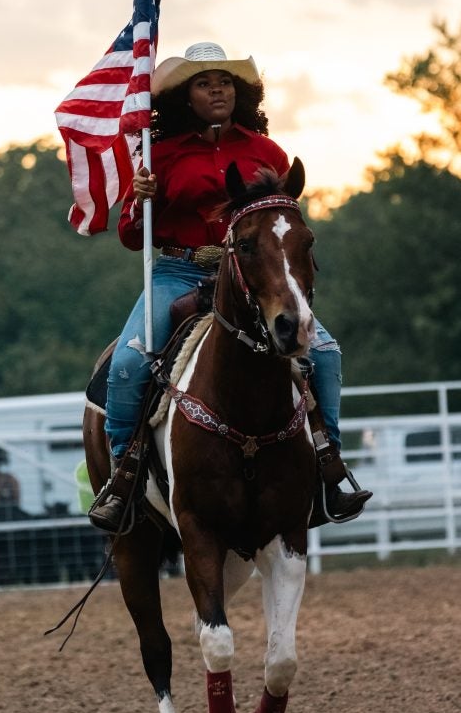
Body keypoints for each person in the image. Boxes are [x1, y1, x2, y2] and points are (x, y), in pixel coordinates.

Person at [89, 42, 371, 533]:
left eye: (225, 82)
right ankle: (124, 477)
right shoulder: (161, 155)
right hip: (177, 270)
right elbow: (134, 239)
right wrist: (139, 200)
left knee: (324, 354)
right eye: (203, 82)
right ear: (185, 97)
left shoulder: (267, 153)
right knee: (129, 363)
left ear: (240, 93)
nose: (217, 90)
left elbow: (283, 228)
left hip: (255, 279)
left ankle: (330, 467)